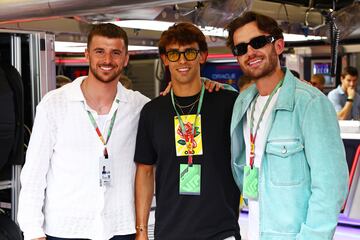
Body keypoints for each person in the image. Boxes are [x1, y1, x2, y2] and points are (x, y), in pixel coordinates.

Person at [17, 23, 149, 240]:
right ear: (87, 54)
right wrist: (33, 232)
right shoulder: (54, 105)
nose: (107, 60)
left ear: (126, 58)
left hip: (121, 228)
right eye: (100, 51)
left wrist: (204, 83)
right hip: (66, 230)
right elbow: (34, 174)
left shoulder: (140, 107)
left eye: (115, 53)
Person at [226, 11, 348, 240]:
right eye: (241, 49)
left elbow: (331, 187)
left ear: (279, 45)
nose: (249, 52)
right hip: (252, 232)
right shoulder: (242, 103)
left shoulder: (309, 103)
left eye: (258, 42)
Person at [134, 22, 241, 240]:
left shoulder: (229, 103)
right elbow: (144, 171)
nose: (182, 60)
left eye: (189, 52)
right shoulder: (152, 111)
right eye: (174, 54)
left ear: (202, 56)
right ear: (164, 60)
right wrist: (142, 231)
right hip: (170, 231)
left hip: (221, 231)